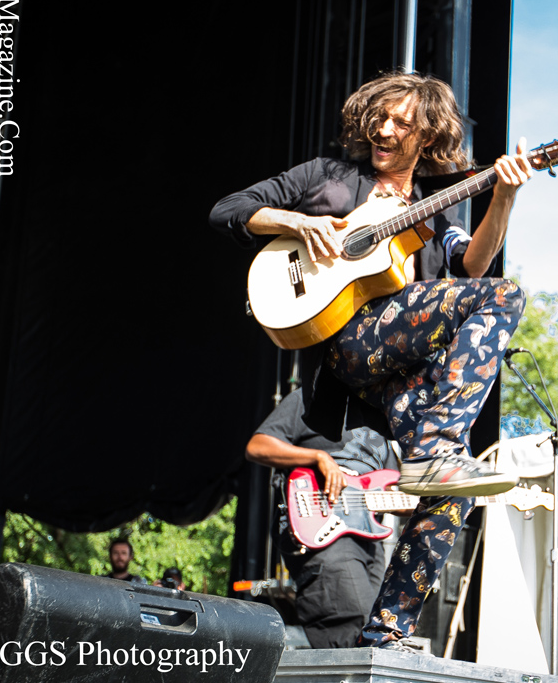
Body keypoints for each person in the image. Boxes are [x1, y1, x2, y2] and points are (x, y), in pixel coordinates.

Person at [210, 70, 532, 650]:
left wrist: (503, 196)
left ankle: (388, 629)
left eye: (403, 123)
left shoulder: (436, 209)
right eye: (380, 117)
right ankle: (435, 450)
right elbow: (231, 209)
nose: (384, 129)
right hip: (348, 347)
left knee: (455, 489)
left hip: (397, 376)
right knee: (505, 298)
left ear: (427, 137)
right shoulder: (328, 178)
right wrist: (301, 222)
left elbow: (471, 268)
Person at [245, 388, 399, 649]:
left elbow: (392, 488)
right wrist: (318, 457)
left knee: (377, 628)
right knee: (355, 623)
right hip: (322, 527)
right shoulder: (314, 397)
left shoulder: (383, 417)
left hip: (368, 541)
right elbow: (258, 446)